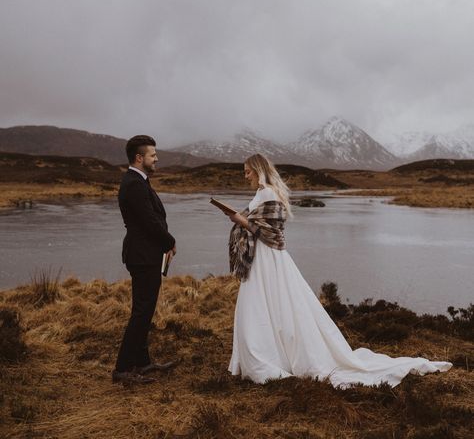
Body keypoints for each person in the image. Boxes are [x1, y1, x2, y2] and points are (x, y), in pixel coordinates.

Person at [227, 153, 452, 387]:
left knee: (263, 306)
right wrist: (238, 217)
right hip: (263, 259)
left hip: (267, 258)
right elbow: (261, 225)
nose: (245, 176)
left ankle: (266, 359)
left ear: (258, 169)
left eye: (247, 171)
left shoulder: (267, 193)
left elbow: (269, 232)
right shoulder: (262, 193)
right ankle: (266, 356)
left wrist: (238, 219)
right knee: (265, 306)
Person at [112, 135, 177, 385]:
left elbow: (151, 219)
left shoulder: (138, 181)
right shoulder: (134, 184)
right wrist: (169, 241)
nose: (156, 158)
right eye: (153, 155)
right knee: (141, 312)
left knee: (145, 310)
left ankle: (142, 361)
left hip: (145, 253)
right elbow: (149, 221)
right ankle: (122, 369)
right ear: (139, 158)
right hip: (142, 255)